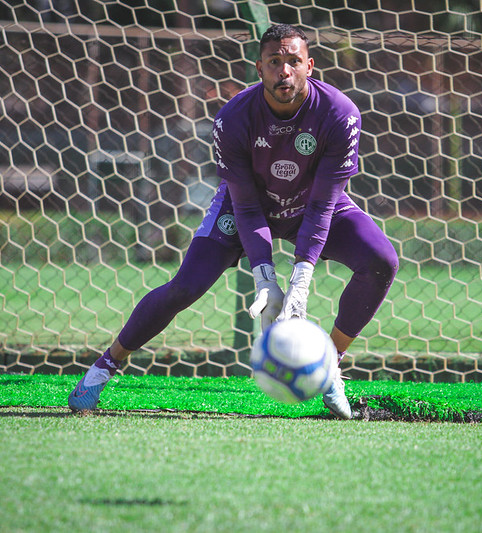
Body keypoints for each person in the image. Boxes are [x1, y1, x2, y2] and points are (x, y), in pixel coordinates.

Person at [68, 23, 398, 419]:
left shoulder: (340, 114)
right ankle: (104, 367)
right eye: (275, 62)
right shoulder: (233, 119)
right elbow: (245, 206)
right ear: (259, 69)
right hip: (247, 208)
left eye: (293, 61)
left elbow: (324, 204)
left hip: (311, 206)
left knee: (381, 262)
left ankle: (329, 364)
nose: (284, 71)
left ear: (309, 65)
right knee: (184, 287)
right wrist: (264, 276)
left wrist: (300, 281)